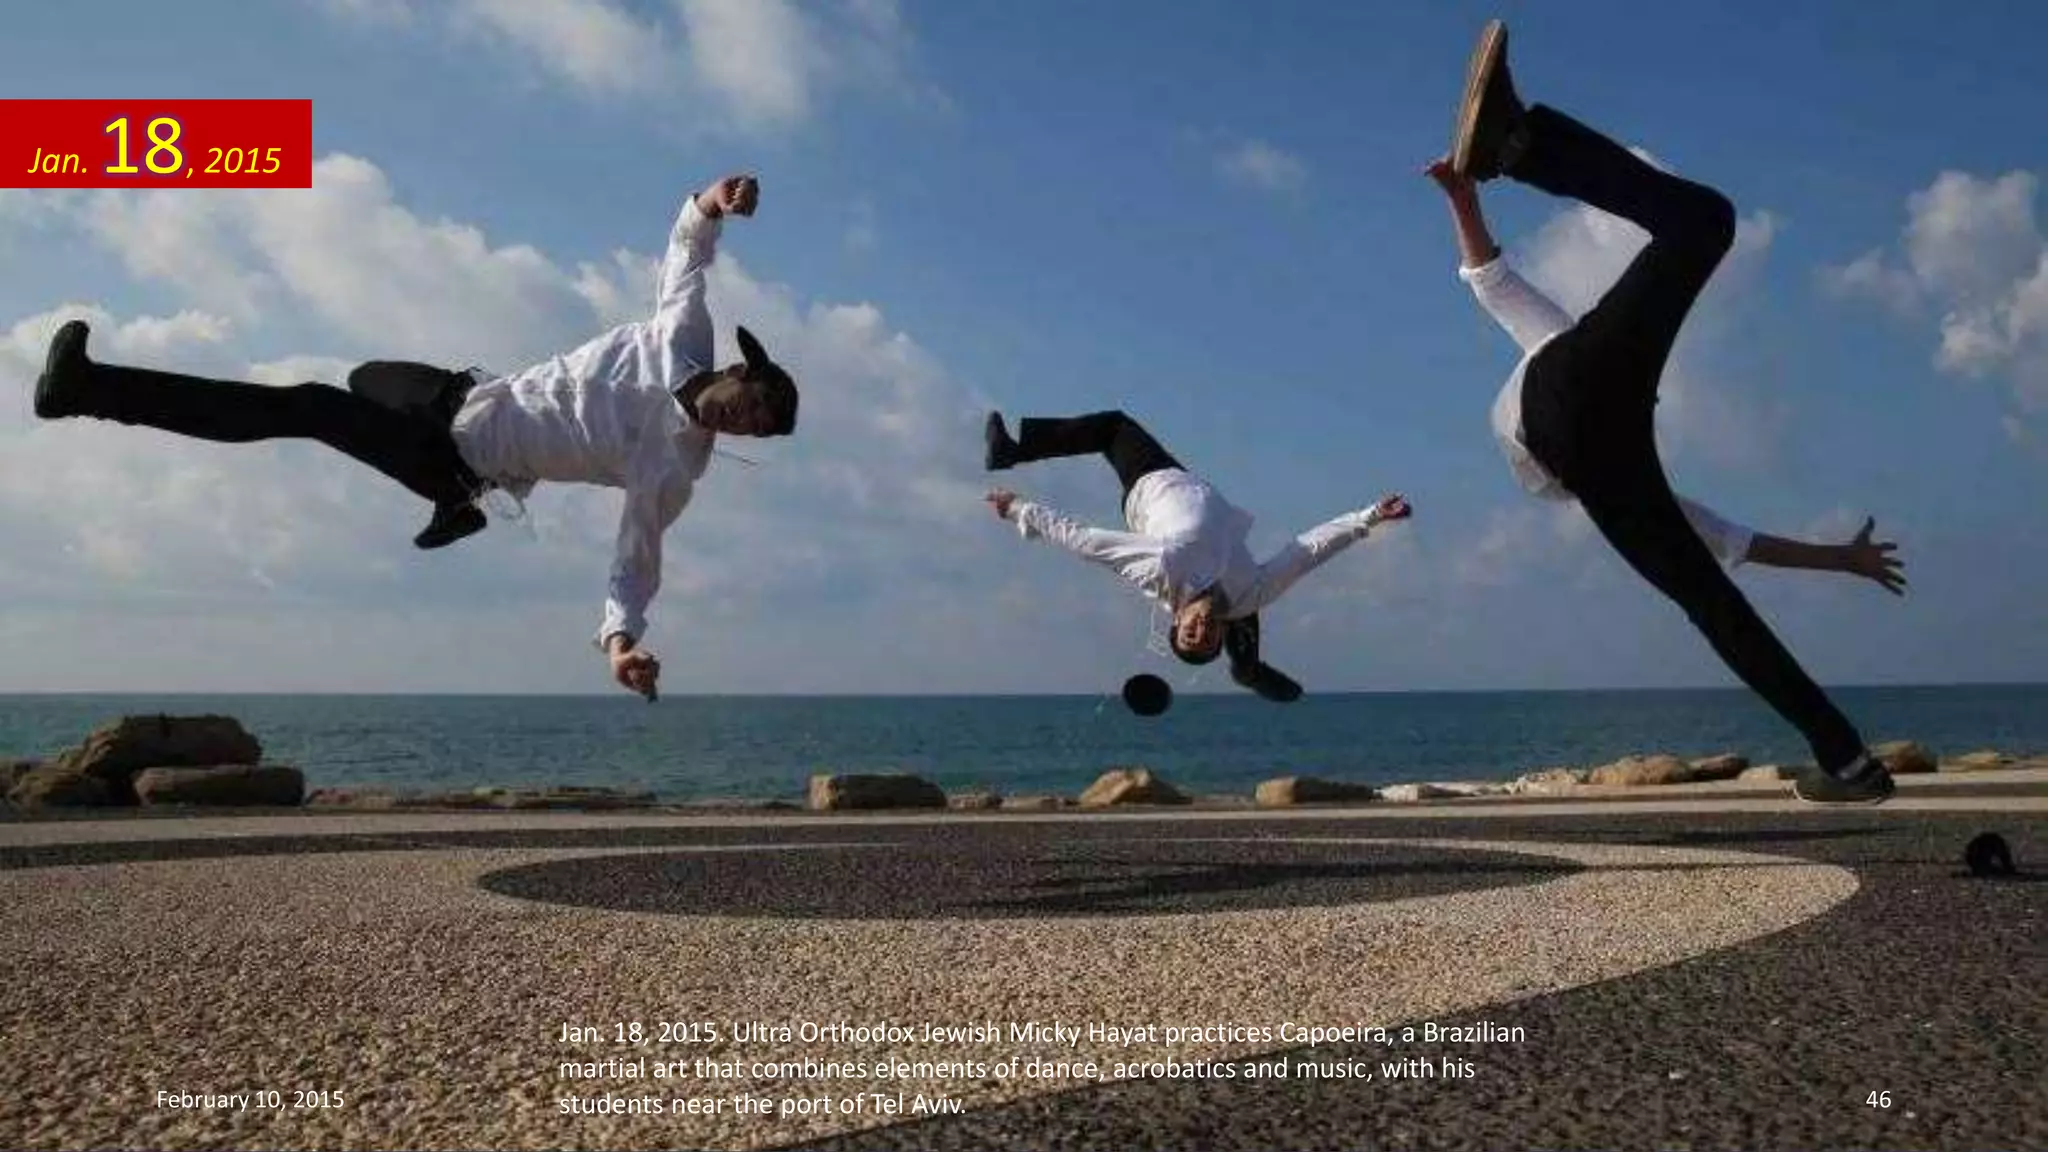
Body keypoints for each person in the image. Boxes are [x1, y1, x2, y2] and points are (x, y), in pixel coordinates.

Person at [30, 173, 797, 701]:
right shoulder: (682, 333)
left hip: (454, 458)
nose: (743, 421)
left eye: (756, 430)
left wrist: (619, 645)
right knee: (364, 375)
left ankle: (89, 393)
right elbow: (685, 252)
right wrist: (714, 198)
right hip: (457, 391)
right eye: (751, 401)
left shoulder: (672, 469)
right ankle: (454, 517)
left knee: (305, 405)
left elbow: (635, 561)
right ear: (738, 369)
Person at [1434, 20, 1907, 804]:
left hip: (1582, 422)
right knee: (1714, 607)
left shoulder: (1604, 447)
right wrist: (1840, 560)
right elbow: (1490, 279)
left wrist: (1461, 198)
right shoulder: (1606, 440)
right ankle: (1846, 760)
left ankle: (1850, 763)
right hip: (1584, 417)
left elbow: (1488, 279)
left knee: (1703, 222)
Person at [983, 408, 1410, 700]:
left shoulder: (1159, 568)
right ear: (1218, 634)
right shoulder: (1249, 596)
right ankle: (1247, 667)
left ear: (1176, 620)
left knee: (1112, 427)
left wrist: (1019, 509)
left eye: (1190, 633)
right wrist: (1369, 516)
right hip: (1192, 491)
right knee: (1245, 596)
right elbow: (1308, 550)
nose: (1200, 629)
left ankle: (1012, 451)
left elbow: (1084, 541)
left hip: (1151, 488)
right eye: (1207, 638)